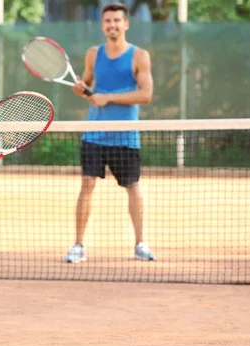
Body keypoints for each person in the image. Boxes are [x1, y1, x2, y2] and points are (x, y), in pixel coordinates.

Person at [66, 2, 156, 263]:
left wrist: (109, 98)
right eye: (108, 21)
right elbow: (89, 87)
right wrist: (82, 89)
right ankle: (78, 245)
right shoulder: (93, 54)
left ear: (126, 24)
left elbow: (146, 94)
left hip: (125, 136)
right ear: (102, 24)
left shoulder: (139, 56)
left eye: (117, 20)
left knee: (132, 187)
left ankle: (140, 244)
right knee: (87, 186)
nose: (112, 25)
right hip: (94, 134)